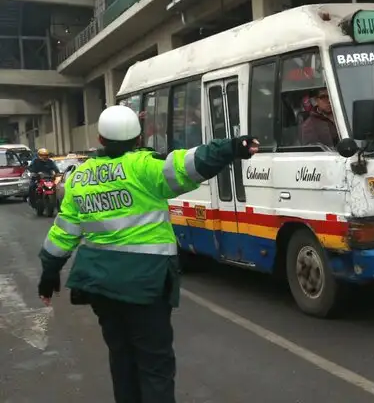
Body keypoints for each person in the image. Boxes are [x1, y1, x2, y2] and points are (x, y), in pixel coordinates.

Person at [37, 105, 259, 403]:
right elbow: (192, 162)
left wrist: (49, 272)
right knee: (155, 365)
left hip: (100, 286)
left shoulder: (80, 178)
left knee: (121, 358)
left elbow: (64, 231)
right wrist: (232, 147)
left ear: (101, 140)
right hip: (146, 284)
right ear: (138, 138)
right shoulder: (145, 167)